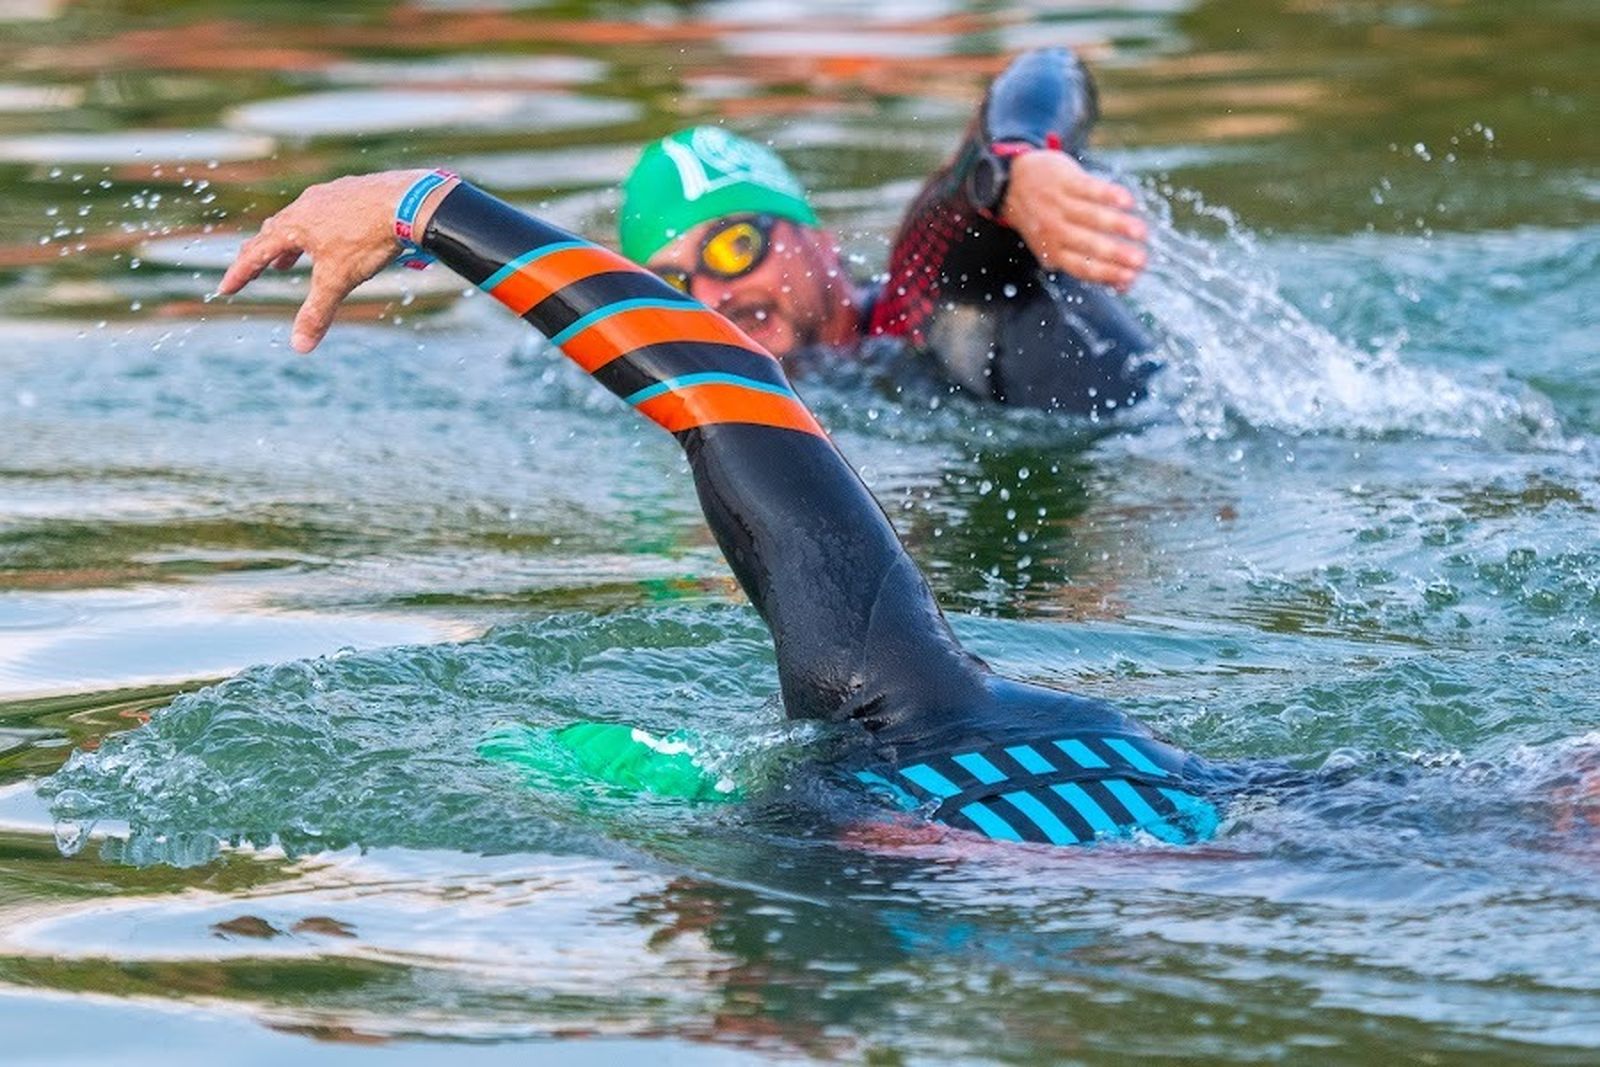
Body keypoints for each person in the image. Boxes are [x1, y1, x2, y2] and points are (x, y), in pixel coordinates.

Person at [218, 161, 1225, 848]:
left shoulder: (897, 715)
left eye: (740, 244)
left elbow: (719, 387)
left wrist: (422, 204)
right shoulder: (939, 720)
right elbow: (725, 401)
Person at [618, 49, 1159, 416]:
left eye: (735, 247)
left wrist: (1011, 170)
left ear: (819, 239)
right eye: (674, 285)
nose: (714, 297)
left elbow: (1048, 68)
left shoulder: (914, 308)